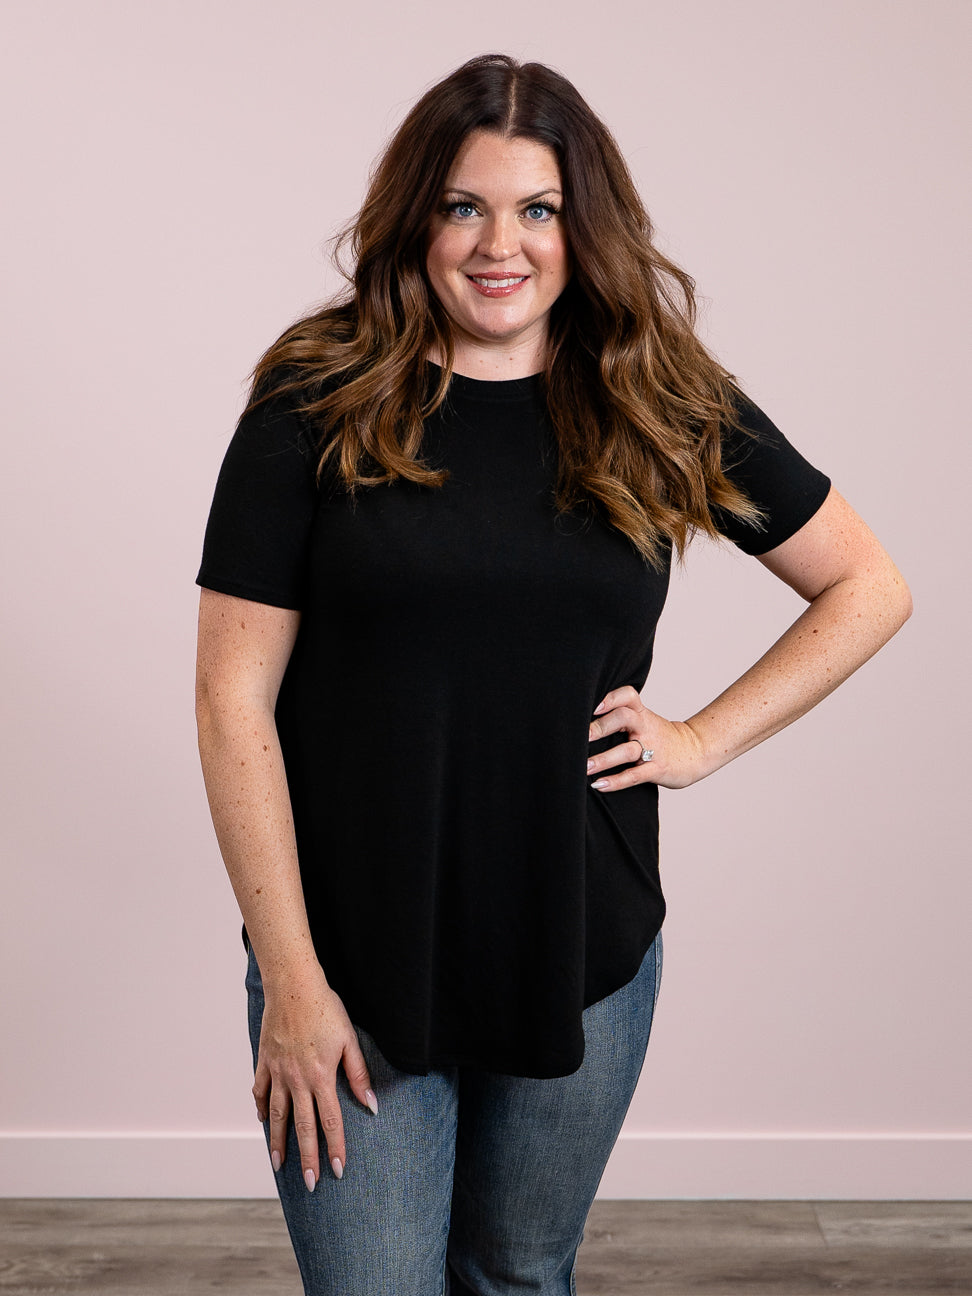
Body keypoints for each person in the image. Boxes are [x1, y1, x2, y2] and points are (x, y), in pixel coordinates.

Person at [194, 52, 911, 1296]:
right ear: (416, 217)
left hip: (581, 943)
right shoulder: (317, 398)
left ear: (588, 228)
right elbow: (230, 698)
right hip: (351, 958)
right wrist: (292, 980)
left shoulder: (654, 396)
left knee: (521, 1278)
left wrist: (701, 739)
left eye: (539, 208)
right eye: (463, 206)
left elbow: (867, 584)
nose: (500, 245)